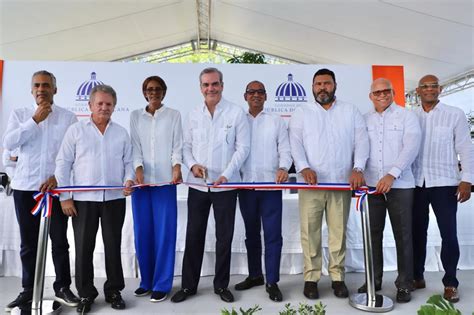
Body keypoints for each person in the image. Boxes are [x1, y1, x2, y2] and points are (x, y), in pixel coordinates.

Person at [288, 68, 369, 299]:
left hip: (340, 184)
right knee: (310, 233)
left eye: (327, 83)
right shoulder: (302, 112)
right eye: (318, 84)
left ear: (335, 85)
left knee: (338, 233)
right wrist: (303, 167)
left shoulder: (350, 111)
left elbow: (361, 141)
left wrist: (358, 168)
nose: (322, 88)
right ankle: (311, 278)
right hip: (311, 185)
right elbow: (295, 143)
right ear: (312, 87)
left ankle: (337, 277)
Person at [171, 67, 250, 303]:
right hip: (197, 186)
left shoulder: (236, 113)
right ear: (200, 88)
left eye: (214, 84)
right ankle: (188, 286)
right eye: (206, 85)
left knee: (224, 237)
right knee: (194, 234)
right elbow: (185, 146)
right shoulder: (193, 114)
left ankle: (221, 285)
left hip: (226, 187)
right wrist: (193, 165)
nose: (210, 88)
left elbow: (243, 148)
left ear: (222, 85)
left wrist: (226, 174)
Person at [2, 70, 79, 312]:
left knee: (59, 242)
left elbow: (73, 154)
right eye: (37, 85)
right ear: (31, 89)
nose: (41, 89)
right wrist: (34, 120)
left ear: (55, 90)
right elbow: (9, 144)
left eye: (46, 85)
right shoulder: (21, 115)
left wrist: (58, 177)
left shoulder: (68, 118)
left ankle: (62, 288)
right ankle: (27, 291)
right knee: (28, 244)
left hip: (55, 190)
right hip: (26, 189)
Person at [55, 85, 134, 313]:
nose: (104, 107)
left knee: (113, 246)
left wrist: (129, 180)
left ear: (114, 107)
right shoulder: (75, 131)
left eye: (108, 104)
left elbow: (129, 163)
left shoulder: (121, 132)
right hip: (82, 201)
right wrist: (65, 198)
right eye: (99, 103)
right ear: (90, 105)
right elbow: (63, 164)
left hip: (114, 199)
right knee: (84, 248)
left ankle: (114, 290)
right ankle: (86, 294)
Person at [411, 74, 474, 303]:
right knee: (416, 232)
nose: (429, 90)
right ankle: (417, 276)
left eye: (433, 86)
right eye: (425, 87)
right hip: (416, 183)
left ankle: (450, 283)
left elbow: (466, 148)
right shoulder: (410, 116)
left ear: (441, 89)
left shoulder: (454, 114)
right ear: (417, 91)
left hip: (445, 182)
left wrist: (466, 179)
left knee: (449, 234)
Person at [359, 78, 421, 303]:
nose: (382, 95)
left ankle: (405, 284)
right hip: (371, 187)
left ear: (393, 92)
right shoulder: (364, 120)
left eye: (386, 91)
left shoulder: (407, 116)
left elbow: (411, 147)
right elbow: (359, 148)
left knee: (403, 235)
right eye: (377, 92)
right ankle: (373, 280)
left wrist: (392, 174)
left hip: (400, 185)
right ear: (370, 96)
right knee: (371, 234)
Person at [234, 81, 292, 302]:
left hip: (270, 187)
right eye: (252, 92)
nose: (256, 95)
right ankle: (255, 275)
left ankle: (272, 281)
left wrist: (284, 167)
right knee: (251, 235)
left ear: (266, 97)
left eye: (260, 92)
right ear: (245, 96)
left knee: (273, 236)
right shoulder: (237, 121)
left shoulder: (276, 121)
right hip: (245, 186)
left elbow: (285, 150)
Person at [129, 75, 183, 302]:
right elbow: (135, 146)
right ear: (144, 92)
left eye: (158, 89)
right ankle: (146, 281)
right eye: (149, 89)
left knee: (164, 234)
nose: (153, 92)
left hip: (164, 183)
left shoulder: (173, 115)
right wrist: (138, 170)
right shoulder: (135, 116)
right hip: (141, 185)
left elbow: (177, 146)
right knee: (143, 234)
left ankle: (162, 284)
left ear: (164, 91)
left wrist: (177, 168)